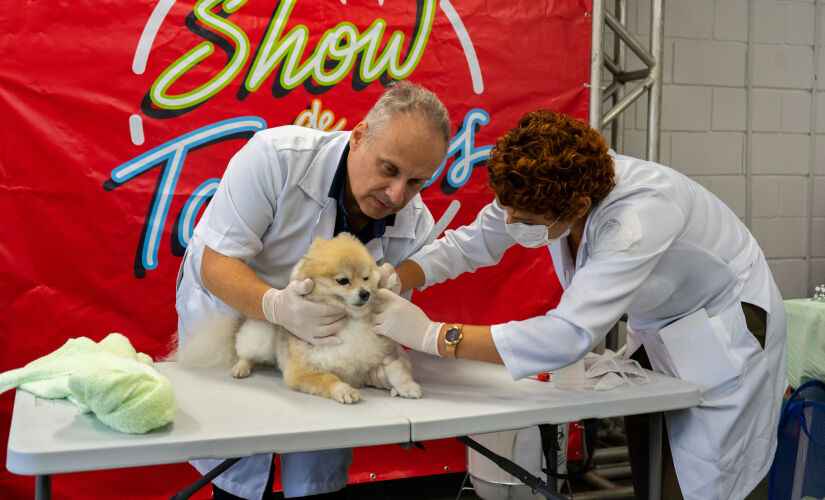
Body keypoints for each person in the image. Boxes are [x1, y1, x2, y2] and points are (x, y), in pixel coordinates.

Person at [373, 110, 786, 500]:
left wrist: (435, 335)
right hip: (660, 324)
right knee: (652, 464)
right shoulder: (541, 186)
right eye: (506, 210)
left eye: (526, 220)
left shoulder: (639, 215)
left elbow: (567, 336)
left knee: (704, 478)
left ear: (580, 208)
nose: (510, 224)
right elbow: (473, 243)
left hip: (726, 326)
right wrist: (396, 276)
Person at [175, 81, 451, 500]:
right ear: (359, 136)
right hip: (236, 328)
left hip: (323, 356)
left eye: (416, 182)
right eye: (389, 169)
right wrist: (274, 307)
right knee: (240, 474)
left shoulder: (414, 223)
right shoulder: (274, 159)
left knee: (317, 476)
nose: (398, 195)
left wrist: (379, 359)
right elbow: (216, 265)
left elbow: (375, 326)